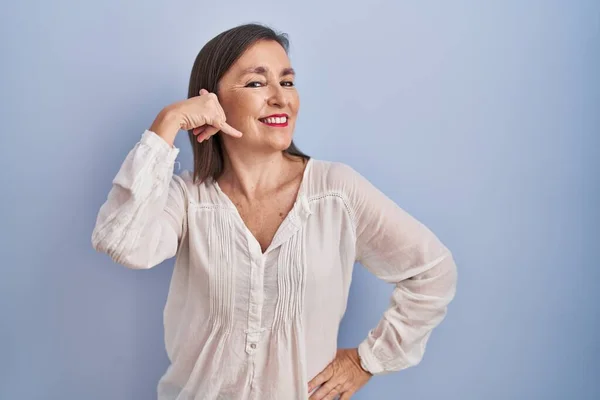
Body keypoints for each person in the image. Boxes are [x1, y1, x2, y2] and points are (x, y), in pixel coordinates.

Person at [91, 23, 457, 400]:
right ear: (212, 102)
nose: (281, 98)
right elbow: (121, 243)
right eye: (256, 83)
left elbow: (433, 271)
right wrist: (168, 122)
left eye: (286, 81)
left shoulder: (336, 192)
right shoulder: (187, 199)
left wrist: (367, 361)